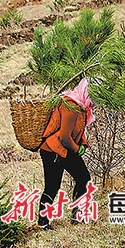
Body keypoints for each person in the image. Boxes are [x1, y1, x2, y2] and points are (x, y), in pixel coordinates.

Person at [37, 78, 94, 230]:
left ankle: (77, 214)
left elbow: (79, 130)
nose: (95, 103)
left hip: (66, 149)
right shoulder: (71, 106)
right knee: (52, 186)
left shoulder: (82, 107)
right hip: (52, 150)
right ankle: (43, 223)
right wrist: (77, 150)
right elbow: (64, 137)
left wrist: (83, 145)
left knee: (84, 178)